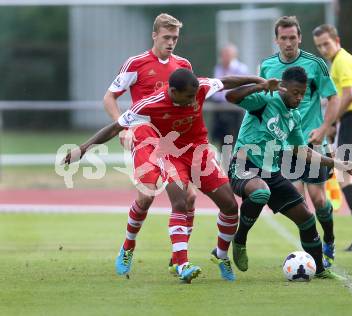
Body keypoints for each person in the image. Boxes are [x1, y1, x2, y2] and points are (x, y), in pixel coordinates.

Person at [64, 69, 275, 283]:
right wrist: (83, 149)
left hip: (199, 152)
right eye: (188, 97)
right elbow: (113, 128)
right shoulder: (148, 105)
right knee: (180, 201)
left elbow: (225, 82)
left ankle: (220, 255)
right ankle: (182, 264)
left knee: (230, 206)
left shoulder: (200, 87)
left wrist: (257, 80)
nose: (193, 101)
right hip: (171, 155)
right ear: (173, 91)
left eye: (195, 97)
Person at [225, 66, 352, 277]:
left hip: (271, 172)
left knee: (306, 218)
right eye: (295, 93)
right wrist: (259, 86)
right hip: (243, 165)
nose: (299, 98)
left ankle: (320, 269)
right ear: (283, 88)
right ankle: (240, 239)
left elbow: (303, 151)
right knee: (261, 192)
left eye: (302, 94)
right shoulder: (266, 99)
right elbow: (230, 96)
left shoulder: (294, 117)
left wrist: (336, 163)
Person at [102, 13, 197, 275]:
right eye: (166, 37)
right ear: (154, 36)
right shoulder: (136, 63)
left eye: (175, 38)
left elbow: (191, 102)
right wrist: (124, 127)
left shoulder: (183, 66)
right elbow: (109, 98)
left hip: (173, 140)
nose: (171, 43)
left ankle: (180, 257)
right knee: (145, 197)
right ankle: (128, 245)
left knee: (189, 196)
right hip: (144, 136)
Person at [252, 16, 340, 268]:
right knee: (298, 204)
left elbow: (332, 98)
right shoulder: (267, 66)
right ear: (276, 39)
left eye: (293, 38)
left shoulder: (315, 64)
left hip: (311, 141)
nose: (288, 43)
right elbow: (261, 102)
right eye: (284, 38)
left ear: (299, 38)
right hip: (284, 144)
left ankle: (329, 240)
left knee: (319, 200)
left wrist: (324, 128)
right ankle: (311, 258)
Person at [312, 24, 352, 251]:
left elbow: (349, 96)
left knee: (345, 176)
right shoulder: (343, 60)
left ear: (336, 40)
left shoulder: (342, 61)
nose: (323, 49)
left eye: (326, 43)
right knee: (347, 176)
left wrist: (330, 123)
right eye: (319, 46)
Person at [211, 44, 249, 142]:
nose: (225, 57)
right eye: (223, 54)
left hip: (235, 107)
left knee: (234, 135)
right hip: (219, 106)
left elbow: (243, 88)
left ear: (234, 55)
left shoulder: (241, 68)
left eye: (227, 54)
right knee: (219, 136)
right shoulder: (218, 68)